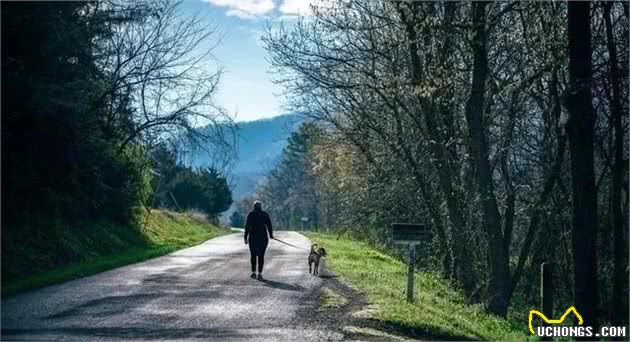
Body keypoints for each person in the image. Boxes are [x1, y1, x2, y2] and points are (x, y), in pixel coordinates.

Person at [244, 201, 273, 280]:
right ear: (260, 206)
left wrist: (245, 237)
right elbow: (269, 225)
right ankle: (260, 273)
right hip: (263, 238)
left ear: (254, 206)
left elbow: (247, 226)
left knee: (253, 255)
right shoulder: (264, 214)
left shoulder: (251, 214)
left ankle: (253, 272)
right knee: (261, 256)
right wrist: (271, 235)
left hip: (253, 238)